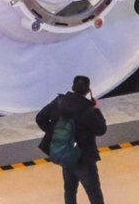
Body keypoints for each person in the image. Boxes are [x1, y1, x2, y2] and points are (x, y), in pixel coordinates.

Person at [36, 75, 108, 204]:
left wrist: (56, 134)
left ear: (72, 87)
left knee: (69, 191)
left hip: (66, 153)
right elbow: (101, 130)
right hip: (84, 156)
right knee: (93, 192)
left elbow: (40, 118)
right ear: (88, 90)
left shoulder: (58, 102)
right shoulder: (88, 110)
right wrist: (96, 109)